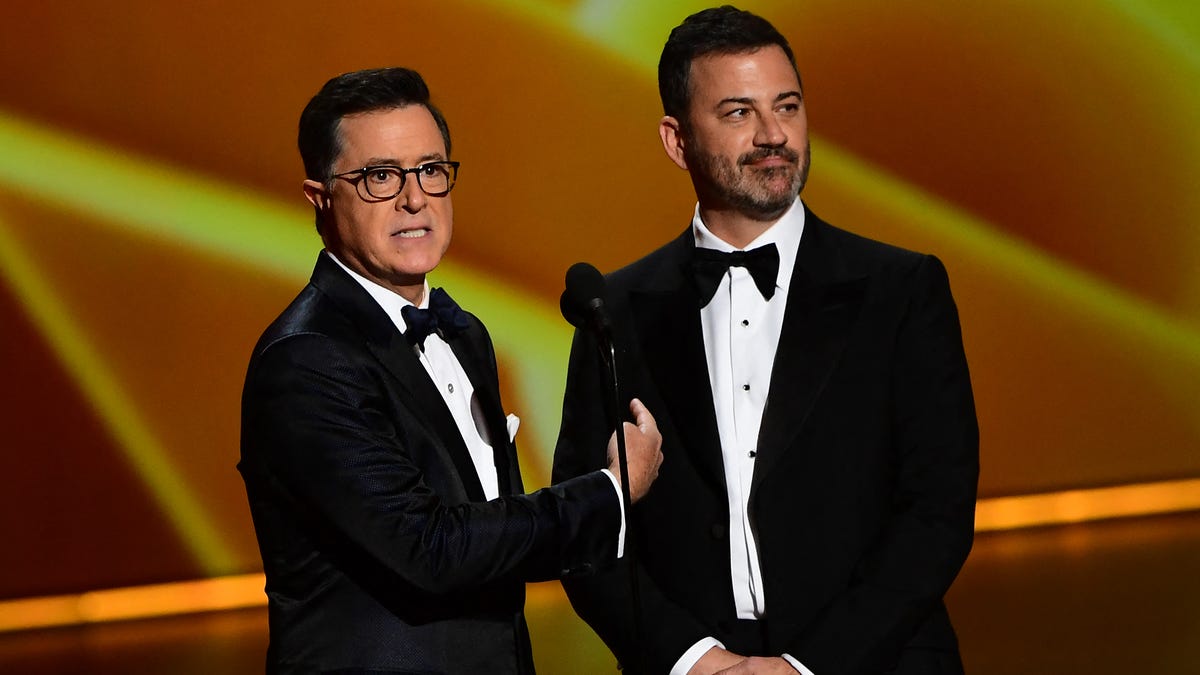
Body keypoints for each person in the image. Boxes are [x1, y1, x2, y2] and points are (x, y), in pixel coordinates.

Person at [553, 6, 979, 675]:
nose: (774, 134)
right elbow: (584, 527)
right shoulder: (614, 309)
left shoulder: (901, 290)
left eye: (787, 106)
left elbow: (937, 512)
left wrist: (806, 665)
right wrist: (694, 660)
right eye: (738, 112)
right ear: (677, 140)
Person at [238, 67, 662, 674]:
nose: (415, 198)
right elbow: (429, 547)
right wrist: (609, 493)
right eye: (380, 176)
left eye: (430, 170)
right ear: (320, 197)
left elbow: (492, 541)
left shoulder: (463, 333)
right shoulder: (307, 359)